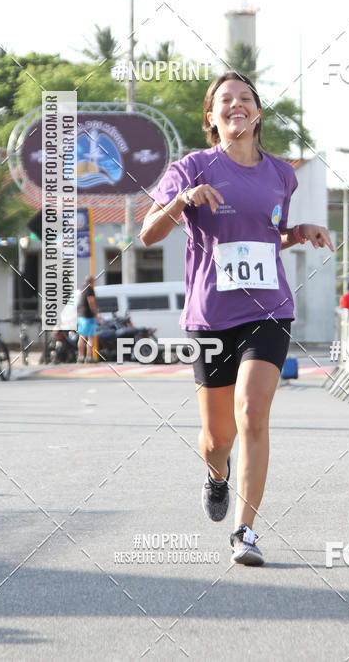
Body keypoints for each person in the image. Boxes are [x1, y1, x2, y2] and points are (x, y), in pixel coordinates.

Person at [140, 71, 334, 566]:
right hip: (211, 316)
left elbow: (269, 235)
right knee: (216, 438)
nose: (236, 105)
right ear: (212, 117)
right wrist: (183, 201)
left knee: (252, 412)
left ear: (258, 113)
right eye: (225, 100)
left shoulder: (281, 174)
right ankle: (216, 475)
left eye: (245, 98)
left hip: (268, 308)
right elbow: (147, 234)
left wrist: (298, 232)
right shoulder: (191, 167)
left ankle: (244, 532)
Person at [77, 275, 99, 363]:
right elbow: (91, 302)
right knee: (91, 337)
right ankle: (89, 357)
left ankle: (81, 357)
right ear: (92, 281)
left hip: (80, 315)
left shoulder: (82, 288)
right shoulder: (90, 289)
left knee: (82, 337)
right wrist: (95, 314)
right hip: (88, 316)